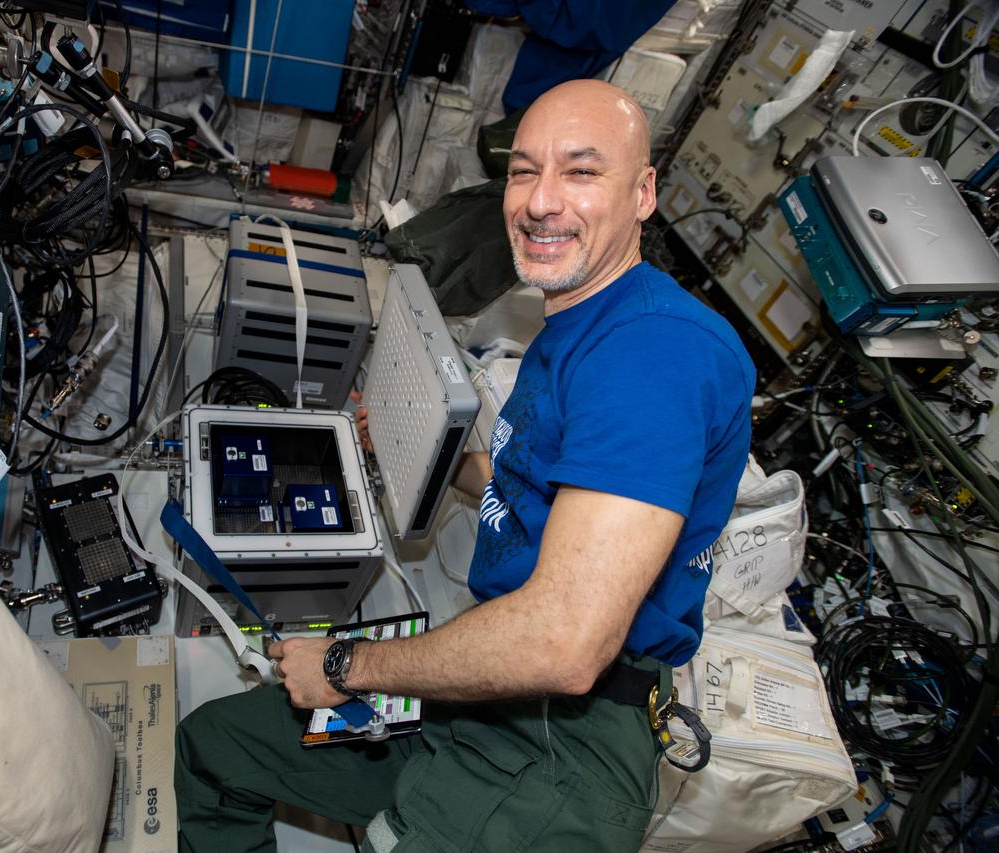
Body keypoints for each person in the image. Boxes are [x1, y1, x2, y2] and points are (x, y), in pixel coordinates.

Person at [175, 79, 755, 852]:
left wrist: (346, 664)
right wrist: (442, 459)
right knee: (215, 747)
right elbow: (543, 501)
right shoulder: (577, 323)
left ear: (644, 191)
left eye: (581, 171)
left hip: (561, 747)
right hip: (486, 685)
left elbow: (564, 642)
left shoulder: (654, 350)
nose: (541, 200)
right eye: (523, 170)